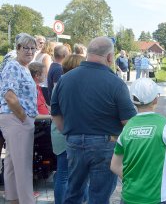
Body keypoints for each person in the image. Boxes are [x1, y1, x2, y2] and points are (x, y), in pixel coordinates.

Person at [51, 36, 137, 204]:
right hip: (105, 144)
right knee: (99, 195)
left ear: (88, 53)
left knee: (73, 192)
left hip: (74, 141)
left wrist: (69, 133)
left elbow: (55, 114)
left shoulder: (65, 79)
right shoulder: (116, 83)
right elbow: (129, 122)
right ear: (110, 57)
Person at [110, 78, 166, 204]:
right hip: (157, 198)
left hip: (129, 197)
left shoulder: (127, 128)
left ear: (134, 101)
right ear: (155, 99)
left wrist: (133, 181)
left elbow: (114, 166)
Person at [0, 33, 38, 204]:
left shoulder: (22, 67)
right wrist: (23, 117)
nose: (30, 51)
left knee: (12, 164)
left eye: (33, 48)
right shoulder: (13, 66)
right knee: (23, 167)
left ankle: (13, 199)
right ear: (18, 49)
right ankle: (26, 201)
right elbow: (9, 96)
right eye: (26, 48)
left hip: (15, 118)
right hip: (16, 118)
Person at [51, 54, 87, 204]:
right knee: (74, 175)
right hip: (70, 133)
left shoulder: (60, 85)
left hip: (59, 132)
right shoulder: (77, 87)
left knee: (63, 174)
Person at [35, 40, 55, 105]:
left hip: (39, 83)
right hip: (44, 85)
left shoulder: (39, 54)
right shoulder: (46, 57)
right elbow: (48, 72)